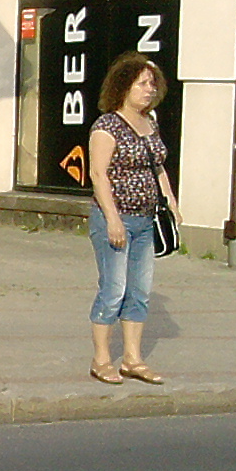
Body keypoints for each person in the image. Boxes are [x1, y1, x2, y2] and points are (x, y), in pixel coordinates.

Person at [86, 52, 181, 384]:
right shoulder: (107, 126)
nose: (149, 90)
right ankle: (101, 360)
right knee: (114, 289)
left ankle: (132, 359)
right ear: (123, 87)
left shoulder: (150, 123)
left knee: (139, 291)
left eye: (152, 84)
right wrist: (112, 219)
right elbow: (98, 174)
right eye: (142, 84)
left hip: (145, 221)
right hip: (115, 218)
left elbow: (158, 166)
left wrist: (170, 200)